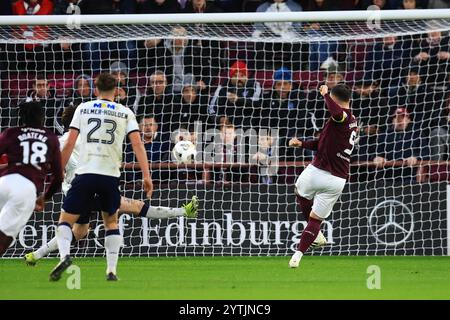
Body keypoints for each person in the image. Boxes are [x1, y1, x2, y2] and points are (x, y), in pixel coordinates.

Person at [24, 106, 197, 266]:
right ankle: (183, 212)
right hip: (92, 186)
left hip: (73, 191)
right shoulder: (92, 140)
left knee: (79, 231)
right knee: (133, 207)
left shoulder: (60, 142)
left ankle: (35, 255)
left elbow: (46, 165)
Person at [49, 73, 152, 282]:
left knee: (65, 221)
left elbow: (69, 143)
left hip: (85, 173)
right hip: (110, 175)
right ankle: (111, 270)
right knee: (111, 222)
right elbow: (137, 144)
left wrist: (59, 169)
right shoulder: (125, 112)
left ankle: (64, 256)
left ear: (95, 89)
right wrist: (146, 176)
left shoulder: (83, 108)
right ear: (116, 90)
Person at [288, 84, 357, 268]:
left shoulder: (342, 116)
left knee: (300, 191)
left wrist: (325, 94)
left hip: (318, 171)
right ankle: (298, 254)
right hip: (338, 180)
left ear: (334, 98)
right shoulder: (352, 121)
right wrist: (302, 144)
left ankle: (314, 237)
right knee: (315, 220)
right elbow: (322, 144)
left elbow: (336, 113)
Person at [0, 101, 63, 255]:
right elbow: (59, 177)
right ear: (42, 116)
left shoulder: (11, 132)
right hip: (26, 189)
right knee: (3, 240)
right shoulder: (50, 137)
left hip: (4, 182)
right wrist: (45, 197)